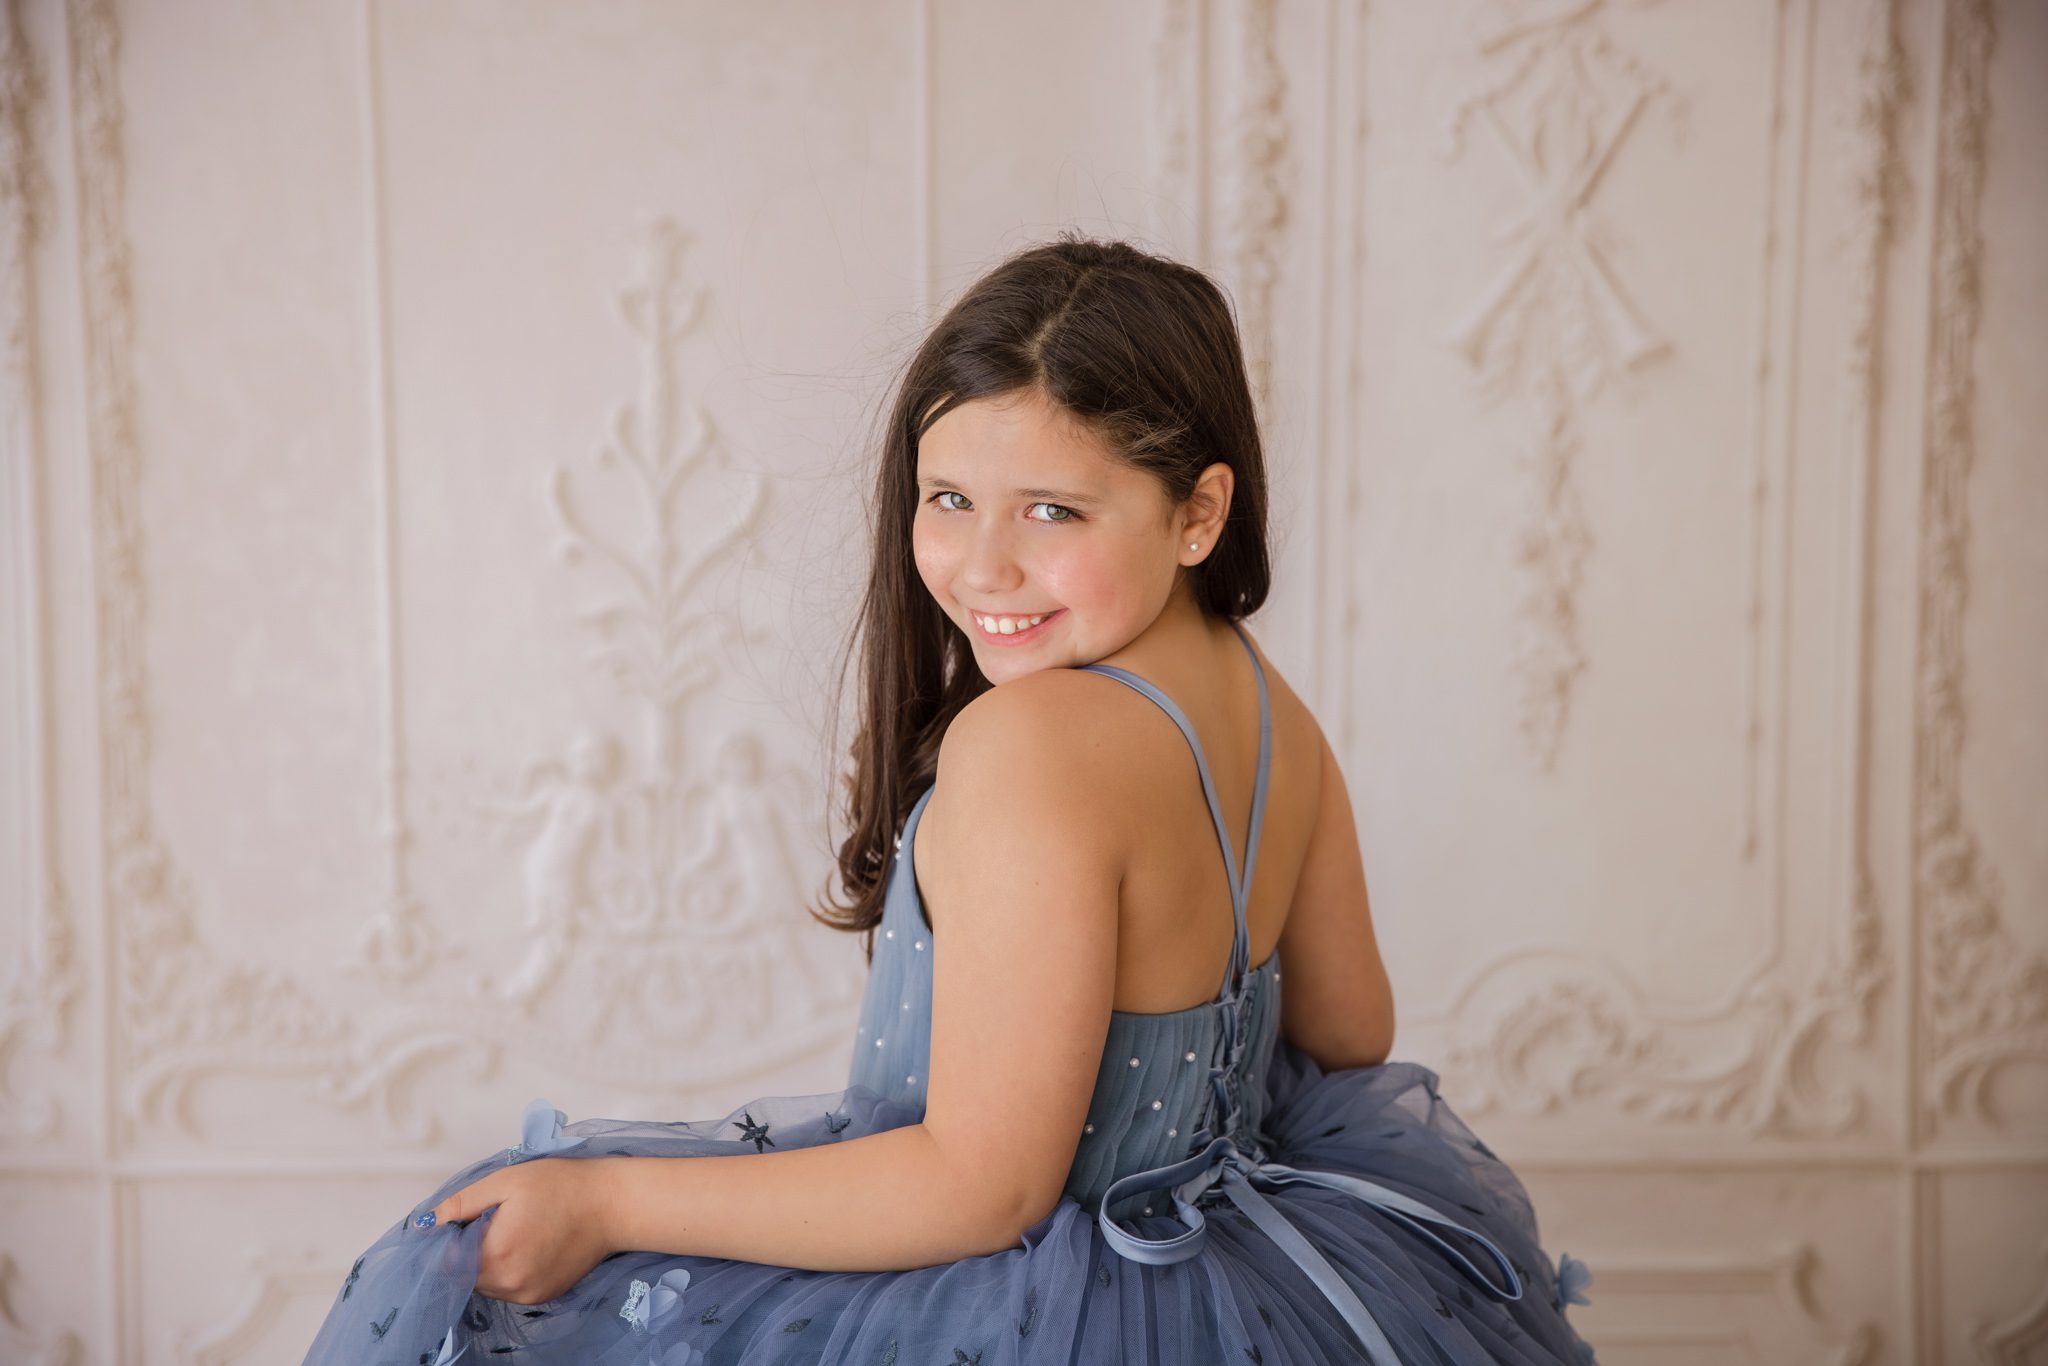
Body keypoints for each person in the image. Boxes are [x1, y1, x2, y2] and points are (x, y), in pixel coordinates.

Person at [302, 235, 1599, 1365]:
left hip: (1027, 1304)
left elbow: (986, 1184)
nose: (984, 563)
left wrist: (606, 1201)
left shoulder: (1032, 745)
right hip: (1258, 1280)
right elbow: (1352, 1028)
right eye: (949, 499)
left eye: (1053, 508)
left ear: (1201, 510)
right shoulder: (1267, 708)